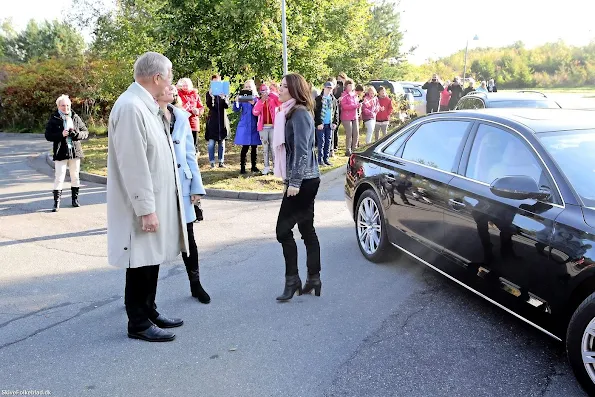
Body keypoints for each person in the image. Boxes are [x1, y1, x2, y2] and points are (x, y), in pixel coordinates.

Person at [107, 52, 188, 342]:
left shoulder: (146, 105)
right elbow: (134, 163)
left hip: (153, 199)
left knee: (149, 258)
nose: (170, 80)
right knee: (139, 262)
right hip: (142, 204)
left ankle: (149, 309)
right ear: (157, 78)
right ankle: (138, 323)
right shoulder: (131, 107)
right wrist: (145, 209)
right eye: (169, 75)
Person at [158, 85, 210, 304]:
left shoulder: (180, 116)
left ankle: (196, 285)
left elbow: (190, 152)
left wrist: (196, 187)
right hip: (159, 187)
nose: (173, 89)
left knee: (189, 239)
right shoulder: (147, 114)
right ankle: (136, 297)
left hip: (183, 184)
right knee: (149, 244)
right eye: (168, 86)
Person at [272, 73, 321, 301]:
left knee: (283, 231)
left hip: (304, 181)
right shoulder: (291, 113)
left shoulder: (299, 114)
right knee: (306, 229)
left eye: (283, 87)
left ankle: (293, 281)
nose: (279, 90)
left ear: (293, 89)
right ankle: (314, 278)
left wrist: (294, 183)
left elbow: (301, 151)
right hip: (305, 179)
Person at [45, 94, 89, 212]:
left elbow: (85, 132)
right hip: (61, 152)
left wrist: (77, 135)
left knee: (75, 176)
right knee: (59, 177)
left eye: (68, 105)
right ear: (58, 106)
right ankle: (56, 203)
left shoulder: (75, 117)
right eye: (63, 106)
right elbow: (48, 135)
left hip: (75, 151)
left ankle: (75, 200)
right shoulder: (54, 119)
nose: (66, 108)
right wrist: (61, 134)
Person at [233, 79, 261, 174]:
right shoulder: (242, 98)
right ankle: (242, 167)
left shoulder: (256, 98)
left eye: (250, 87)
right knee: (245, 147)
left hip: (253, 124)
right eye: (246, 87)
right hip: (245, 124)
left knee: (254, 146)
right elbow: (236, 110)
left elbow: (259, 109)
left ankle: (254, 166)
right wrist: (236, 102)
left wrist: (254, 104)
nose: (248, 88)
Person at [253, 83, 281, 175]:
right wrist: (261, 101)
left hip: (273, 127)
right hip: (263, 127)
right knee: (265, 148)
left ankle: (275, 167)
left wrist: (272, 93)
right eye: (262, 91)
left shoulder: (273, 99)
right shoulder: (259, 101)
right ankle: (266, 167)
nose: (264, 93)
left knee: (273, 147)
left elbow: (280, 102)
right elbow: (255, 112)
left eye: (266, 91)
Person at [205, 74, 230, 168]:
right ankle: (212, 162)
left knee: (222, 142)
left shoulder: (224, 92)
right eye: (215, 81)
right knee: (211, 143)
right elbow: (210, 106)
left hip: (222, 120)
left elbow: (227, 106)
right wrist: (212, 96)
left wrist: (224, 97)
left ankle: (221, 162)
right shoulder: (209, 93)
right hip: (213, 121)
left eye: (218, 81)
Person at [176, 78, 204, 153]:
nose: (185, 87)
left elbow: (201, 107)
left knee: (194, 146)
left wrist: (198, 111)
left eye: (186, 85)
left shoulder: (195, 95)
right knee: (182, 146)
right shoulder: (177, 94)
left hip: (193, 123)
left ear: (190, 85)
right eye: (183, 85)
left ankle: (194, 162)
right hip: (182, 123)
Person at [314, 81, 338, 166]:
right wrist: (318, 123)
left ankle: (326, 159)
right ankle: (320, 160)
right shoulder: (318, 99)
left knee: (328, 142)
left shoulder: (333, 99)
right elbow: (315, 113)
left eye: (331, 88)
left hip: (329, 124)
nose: (329, 90)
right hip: (321, 124)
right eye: (328, 88)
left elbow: (336, 112)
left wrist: (335, 122)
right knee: (321, 142)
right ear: (324, 88)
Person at [340, 79, 361, 156]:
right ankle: (348, 149)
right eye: (349, 85)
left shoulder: (354, 95)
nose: (350, 86)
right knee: (349, 133)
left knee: (356, 132)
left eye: (351, 85)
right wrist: (354, 106)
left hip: (354, 116)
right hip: (346, 116)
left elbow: (357, 103)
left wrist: (359, 105)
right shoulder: (344, 95)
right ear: (346, 86)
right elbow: (344, 106)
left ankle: (354, 148)